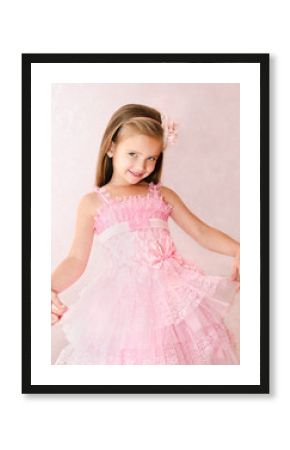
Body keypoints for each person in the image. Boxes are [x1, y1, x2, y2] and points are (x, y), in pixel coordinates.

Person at [52, 103, 240, 365]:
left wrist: (240, 249)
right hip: (126, 307)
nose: (142, 165)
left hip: (174, 298)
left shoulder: (161, 194)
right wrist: (47, 287)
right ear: (110, 148)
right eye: (133, 154)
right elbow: (75, 259)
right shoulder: (93, 203)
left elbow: (201, 232)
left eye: (152, 157)